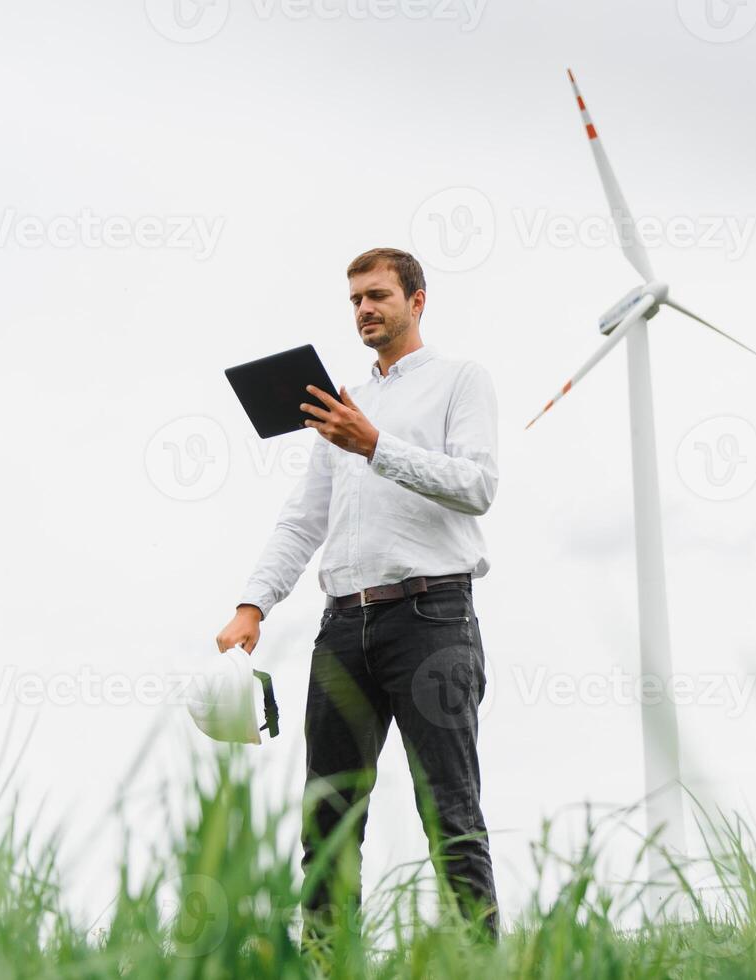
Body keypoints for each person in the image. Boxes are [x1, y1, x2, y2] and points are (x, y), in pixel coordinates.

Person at [215, 247, 500, 942]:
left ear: (417, 300)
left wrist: (376, 446)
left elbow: (478, 486)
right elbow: (303, 518)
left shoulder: (460, 380)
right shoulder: (344, 405)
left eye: (378, 295)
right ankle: (329, 963)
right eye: (355, 300)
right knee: (328, 819)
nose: (365, 310)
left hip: (432, 618)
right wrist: (253, 604)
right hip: (343, 625)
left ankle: (477, 965)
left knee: (450, 814)